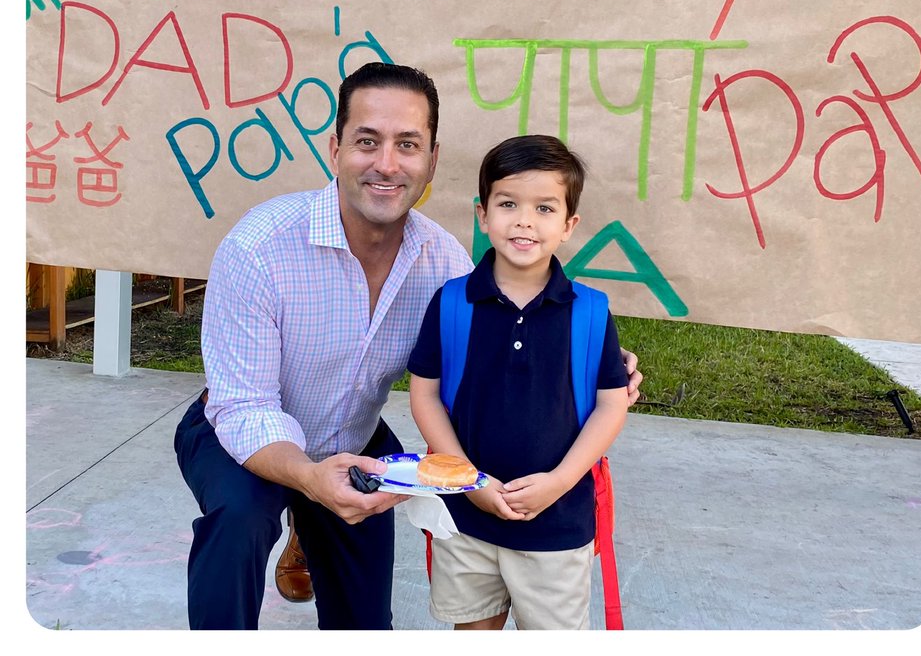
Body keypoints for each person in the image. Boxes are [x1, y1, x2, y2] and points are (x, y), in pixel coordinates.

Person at [173, 63, 642, 629]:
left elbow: (502, 334)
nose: (387, 164)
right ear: (336, 148)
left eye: (408, 144)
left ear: (432, 160)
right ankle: (293, 522)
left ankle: (312, 523)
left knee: (366, 625)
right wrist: (308, 479)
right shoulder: (258, 248)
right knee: (240, 519)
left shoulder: (444, 265)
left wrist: (598, 365)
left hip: (356, 440)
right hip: (242, 434)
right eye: (367, 141)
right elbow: (243, 405)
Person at [408, 135, 629, 630]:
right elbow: (424, 394)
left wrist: (559, 482)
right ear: (483, 215)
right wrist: (468, 480)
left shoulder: (590, 312)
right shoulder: (451, 303)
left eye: (545, 208)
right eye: (508, 204)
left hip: (556, 524)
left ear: (569, 225)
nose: (525, 220)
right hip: (466, 520)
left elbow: (611, 405)